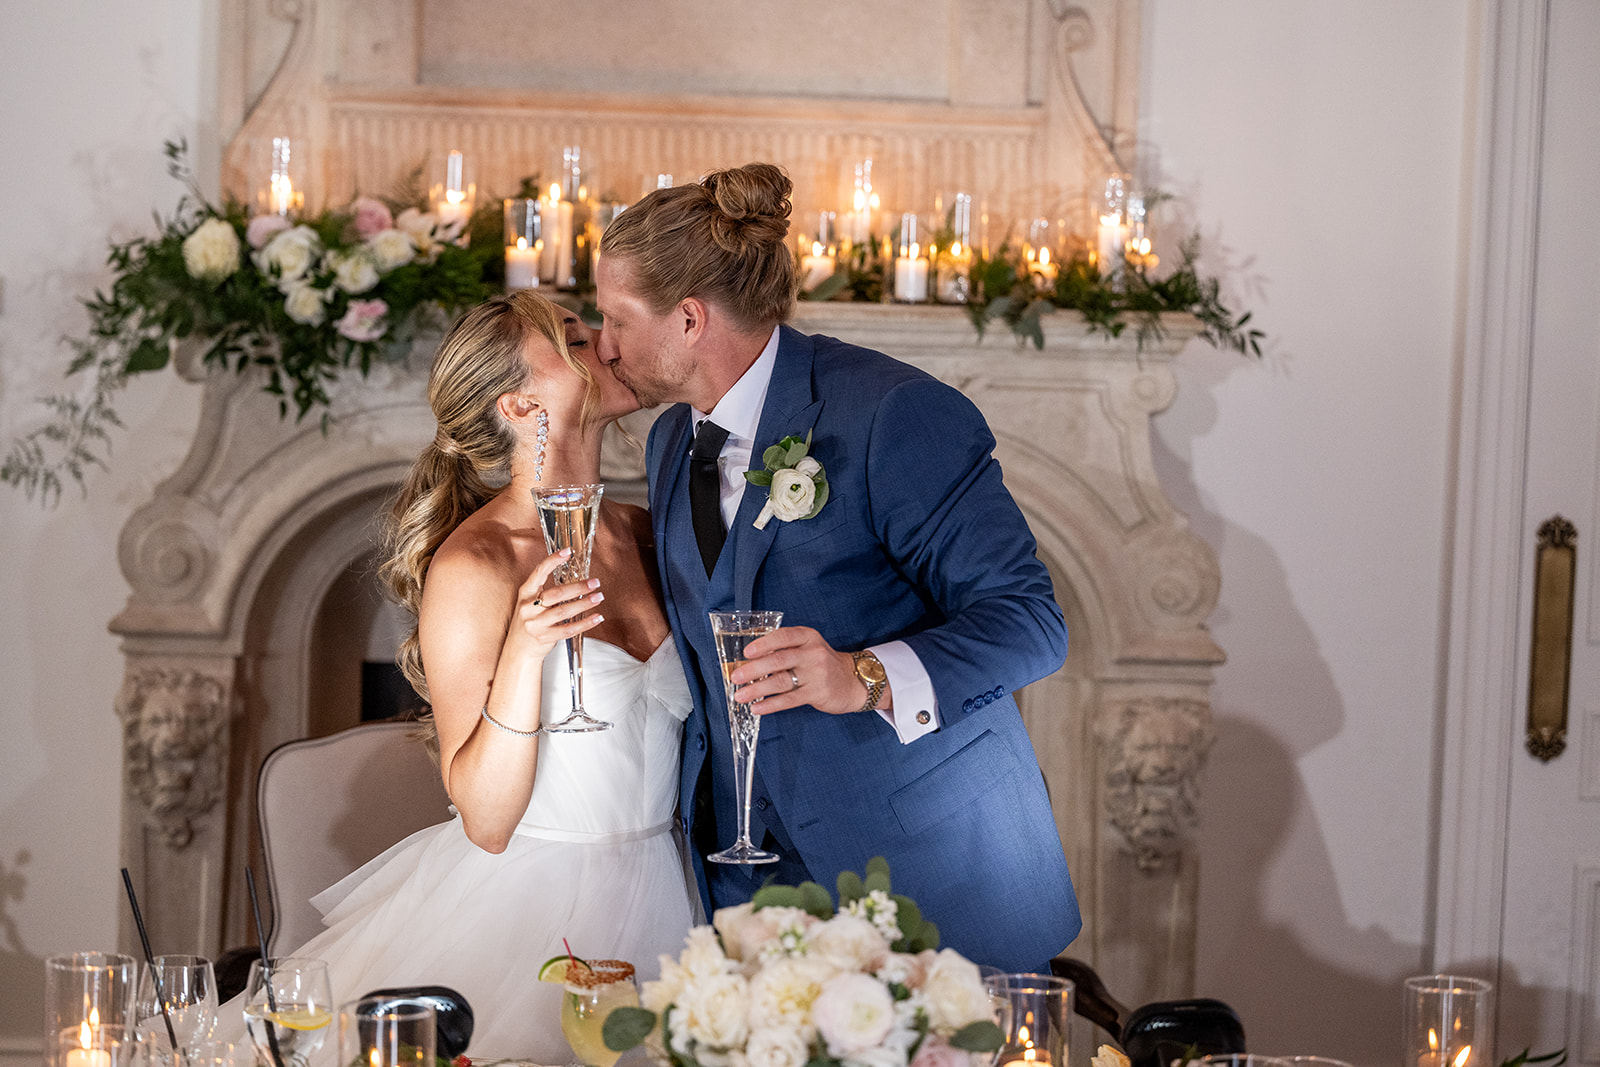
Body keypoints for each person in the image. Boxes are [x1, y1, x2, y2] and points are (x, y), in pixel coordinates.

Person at [595, 162, 1082, 972]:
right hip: (747, 890)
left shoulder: (892, 413)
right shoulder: (667, 441)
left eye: (616, 320)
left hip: (927, 873)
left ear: (688, 320)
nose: (603, 349)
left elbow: (1032, 622)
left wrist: (864, 674)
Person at [224, 291, 697, 1063]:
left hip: (670, 880)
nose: (607, 345)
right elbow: (485, 817)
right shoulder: (475, 566)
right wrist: (524, 650)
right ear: (519, 402)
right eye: (574, 340)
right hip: (531, 907)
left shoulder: (646, 532)